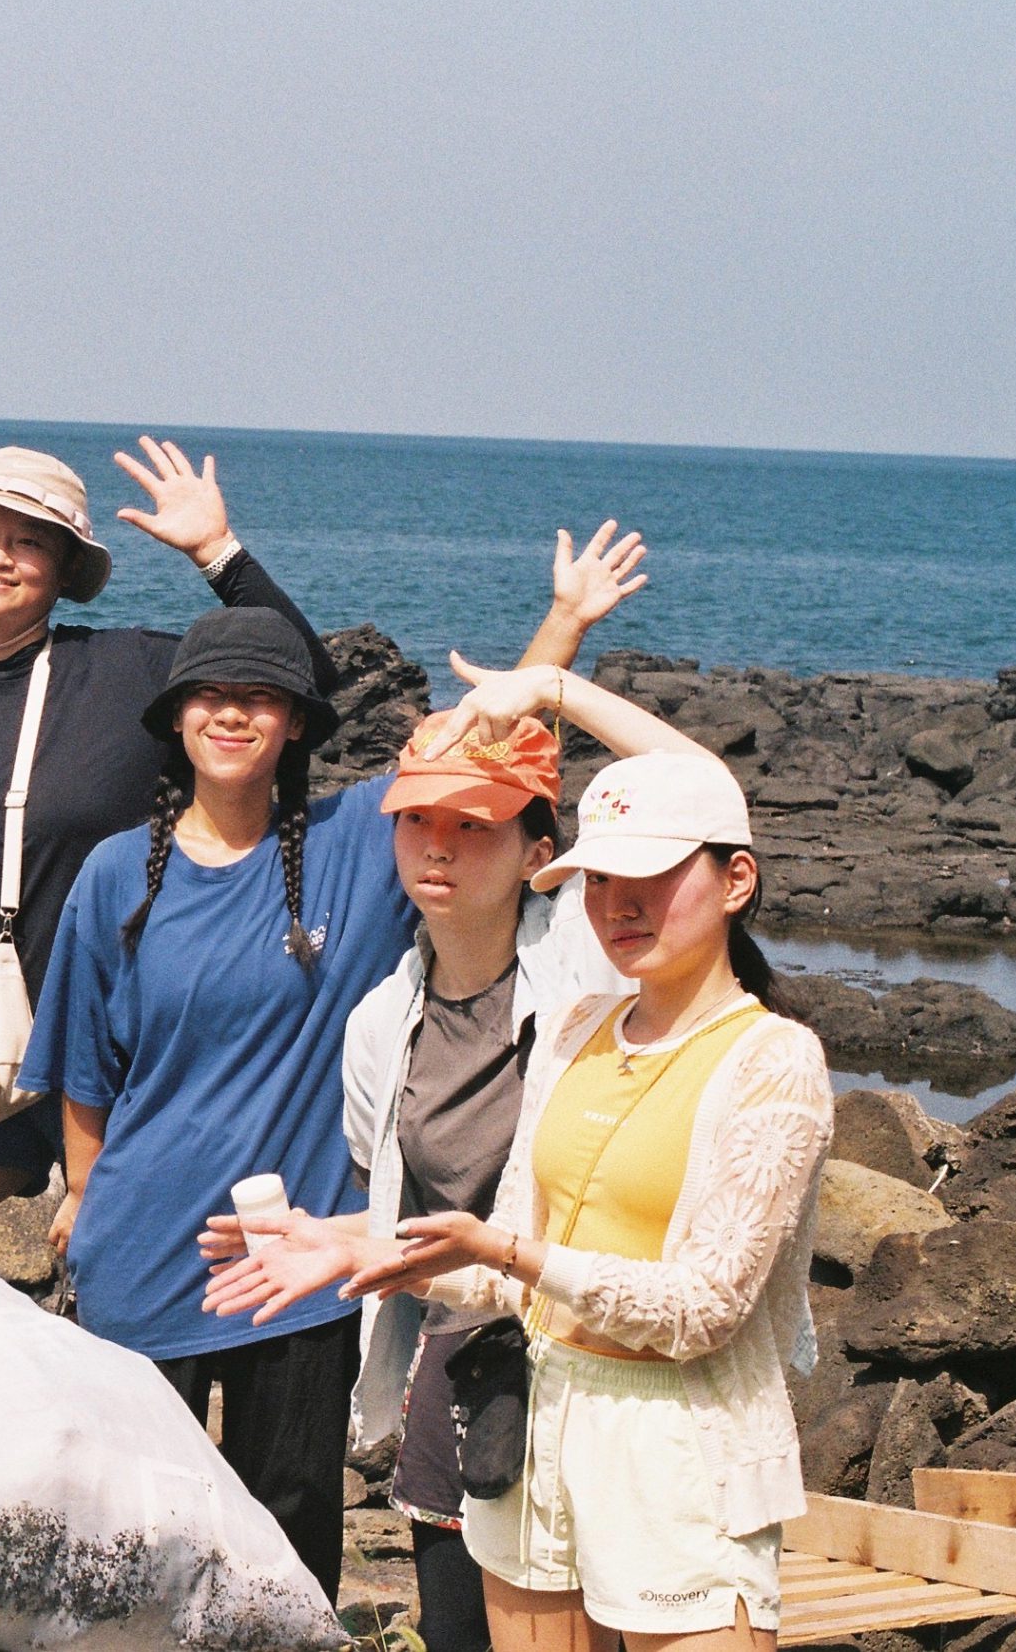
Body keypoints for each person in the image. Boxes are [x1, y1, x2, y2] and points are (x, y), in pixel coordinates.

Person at [17, 530, 645, 1602]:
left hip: (306, 1259)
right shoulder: (119, 874)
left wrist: (564, 630)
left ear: (296, 724)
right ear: (173, 719)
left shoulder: (362, 843)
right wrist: (80, 1185)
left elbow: (472, 749)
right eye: (206, 693)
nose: (230, 711)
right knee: (127, 1526)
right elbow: (83, 1063)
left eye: (260, 696)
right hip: (141, 1243)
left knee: (292, 1521)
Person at [205, 667, 833, 1652]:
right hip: (532, 1430)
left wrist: (553, 682)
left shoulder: (764, 1056)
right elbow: (507, 1252)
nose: (623, 904)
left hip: (682, 1451)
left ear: (736, 880)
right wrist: (355, 1248)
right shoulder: (574, 1032)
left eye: (656, 878)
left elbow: (700, 1308)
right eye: (604, 882)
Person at [0, 439, 336, 1303]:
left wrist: (217, 552)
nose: (0, 554)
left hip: (134, 1054)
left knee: (129, 1287)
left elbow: (302, 677)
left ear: (63, 571)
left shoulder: (129, 672)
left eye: (31, 542)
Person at [343, 669, 717, 1652]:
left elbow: (702, 793)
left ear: (538, 853)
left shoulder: (596, 972)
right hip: (461, 1379)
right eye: (417, 818)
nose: (437, 843)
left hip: (611, 1379)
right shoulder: (383, 1024)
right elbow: (385, 1199)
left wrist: (555, 683)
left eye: (474, 824)